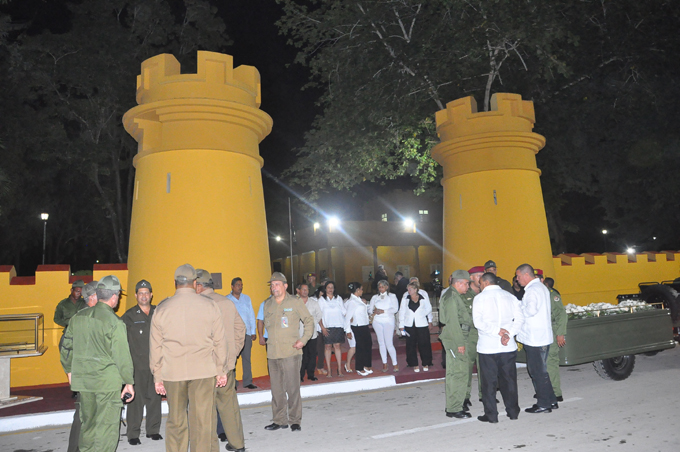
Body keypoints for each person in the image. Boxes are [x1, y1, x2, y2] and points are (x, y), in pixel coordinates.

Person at [149, 264, 228, 452]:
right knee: (202, 421)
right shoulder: (210, 305)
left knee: (176, 421)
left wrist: (157, 376)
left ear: (175, 283)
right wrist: (221, 370)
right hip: (203, 371)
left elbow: (155, 346)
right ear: (194, 283)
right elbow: (219, 341)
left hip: (173, 372)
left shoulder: (162, 308)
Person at [60, 275, 135, 452]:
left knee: (88, 425)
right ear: (114, 296)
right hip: (106, 384)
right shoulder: (114, 322)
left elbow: (66, 347)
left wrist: (69, 371)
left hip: (84, 382)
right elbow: (122, 357)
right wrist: (129, 382)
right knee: (106, 428)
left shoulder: (78, 317)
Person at [194, 269, 247, 452]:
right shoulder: (227, 302)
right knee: (229, 406)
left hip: (205, 367)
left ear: (198, 286)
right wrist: (233, 352)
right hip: (226, 364)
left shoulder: (197, 305)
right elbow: (241, 328)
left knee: (204, 409)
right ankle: (238, 444)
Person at [263, 272, 314, 432]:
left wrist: (303, 340)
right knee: (276, 390)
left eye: (277, 284)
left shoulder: (295, 302)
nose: (274, 287)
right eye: (272, 285)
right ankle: (279, 420)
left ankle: (295, 420)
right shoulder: (267, 304)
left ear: (285, 286)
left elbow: (309, 321)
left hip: (291, 352)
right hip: (273, 353)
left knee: (292, 389)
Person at [473, 272, 525, 423]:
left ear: (485, 283)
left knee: (489, 383)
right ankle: (513, 412)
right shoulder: (510, 297)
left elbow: (478, 323)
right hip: (507, 346)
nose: (480, 287)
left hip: (488, 347)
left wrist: (497, 331)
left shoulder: (479, 298)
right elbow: (520, 319)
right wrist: (509, 333)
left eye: (480, 284)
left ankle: (491, 415)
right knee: (509, 381)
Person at [121, 279, 163, 446]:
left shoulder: (158, 312)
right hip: (137, 366)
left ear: (151, 295)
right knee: (136, 401)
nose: (144, 296)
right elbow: (121, 341)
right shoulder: (129, 316)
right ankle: (133, 433)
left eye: (146, 293)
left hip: (156, 365)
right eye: (141, 293)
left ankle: (153, 430)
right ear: (136, 295)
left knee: (155, 399)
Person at [515, 263, 556, 414]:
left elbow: (530, 310)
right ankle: (551, 400)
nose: (517, 279)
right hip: (541, 336)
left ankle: (544, 404)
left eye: (518, 276)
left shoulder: (532, 290)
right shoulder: (541, 287)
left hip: (535, 338)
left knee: (537, 371)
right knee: (542, 370)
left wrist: (518, 309)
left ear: (526, 275)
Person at [65, 280, 98, 452]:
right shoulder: (83, 318)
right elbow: (66, 347)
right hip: (86, 374)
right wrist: (70, 372)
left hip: (91, 373)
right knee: (83, 415)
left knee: (87, 414)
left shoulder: (90, 315)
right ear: (92, 297)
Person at [438, 270, 471, 419]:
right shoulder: (451, 297)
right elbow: (453, 323)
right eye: (466, 284)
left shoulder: (453, 295)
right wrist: (460, 343)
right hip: (455, 338)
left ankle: (455, 405)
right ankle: (454, 408)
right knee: (458, 373)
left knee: (457, 372)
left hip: (458, 336)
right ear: (459, 283)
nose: (468, 287)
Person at [227, 277, 258, 390]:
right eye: (238, 285)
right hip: (233, 334)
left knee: (247, 359)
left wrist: (253, 331)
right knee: (232, 359)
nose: (240, 287)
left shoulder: (246, 298)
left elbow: (251, 315)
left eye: (241, 285)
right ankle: (232, 382)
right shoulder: (227, 300)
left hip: (246, 333)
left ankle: (248, 381)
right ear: (232, 286)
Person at [399, 281, 433, 372]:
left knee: (424, 344)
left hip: (422, 324)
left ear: (415, 289)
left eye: (410, 289)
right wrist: (401, 325)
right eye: (408, 289)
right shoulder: (405, 299)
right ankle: (414, 363)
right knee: (410, 345)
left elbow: (429, 308)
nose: (408, 291)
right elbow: (402, 311)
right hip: (409, 324)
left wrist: (422, 314)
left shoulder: (423, 298)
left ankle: (426, 362)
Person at [463, 266, 485, 409]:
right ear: (471, 278)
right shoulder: (464, 295)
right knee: (467, 367)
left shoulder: (486, 294)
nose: (482, 279)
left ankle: (485, 394)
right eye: (479, 276)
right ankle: (465, 396)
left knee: (485, 366)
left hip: (484, 334)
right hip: (470, 335)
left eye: (483, 275)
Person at [543, 276, 567, 403]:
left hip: (551, 330)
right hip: (540, 332)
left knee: (550, 362)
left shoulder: (552, 295)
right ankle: (544, 390)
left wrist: (560, 333)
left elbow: (561, 314)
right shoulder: (534, 292)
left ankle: (556, 393)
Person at [368, 280, 400, 372]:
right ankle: (384, 363)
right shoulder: (375, 297)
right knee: (381, 342)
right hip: (377, 321)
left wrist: (384, 311)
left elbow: (395, 309)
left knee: (389, 343)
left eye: (382, 286)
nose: (381, 288)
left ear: (387, 287)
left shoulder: (392, 296)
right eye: (379, 287)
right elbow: (370, 309)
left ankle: (395, 363)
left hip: (388, 321)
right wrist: (374, 311)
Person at [318, 280, 347, 377]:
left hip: (338, 325)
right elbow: (318, 315)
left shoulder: (338, 298)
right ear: (325, 288)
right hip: (327, 327)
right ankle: (329, 370)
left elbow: (344, 311)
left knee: (337, 347)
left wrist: (350, 318)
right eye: (328, 287)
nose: (330, 289)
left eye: (332, 287)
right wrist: (322, 328)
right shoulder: (321, 300)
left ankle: (339, 369)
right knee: (327, 347)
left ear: (334, 289)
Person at [344, 282, 373, 376]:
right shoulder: (352, 302)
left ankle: (366, 365)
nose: (362, 291)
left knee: (368, 344)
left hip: (364, 324)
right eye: (361, 289)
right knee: (360, 347)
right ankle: (359, 367)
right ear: (357, 290)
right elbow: (348, 317)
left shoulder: (359, 299)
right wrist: (348, 330)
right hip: (357, 325)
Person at [298, 282, 322, 382]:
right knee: (301, 356)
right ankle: (300, 375)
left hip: (312, 334)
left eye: (307, 289)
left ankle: (311, 374)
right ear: (299, 291)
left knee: (312, 355)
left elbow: (319, 315)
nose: (305, 291)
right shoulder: (295, 303)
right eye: (303, 289)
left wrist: (312, 323)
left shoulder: (314, 303)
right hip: (299, 334)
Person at [54, 280, 87, 349]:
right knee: (65, 354)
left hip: (82, 335)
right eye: (77, 291)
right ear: (71, 290)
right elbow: (56, 319)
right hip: (68, 335)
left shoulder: (85, 303)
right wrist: (68, 324)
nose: (79, 294)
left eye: (81, 292)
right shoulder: (63, 304)